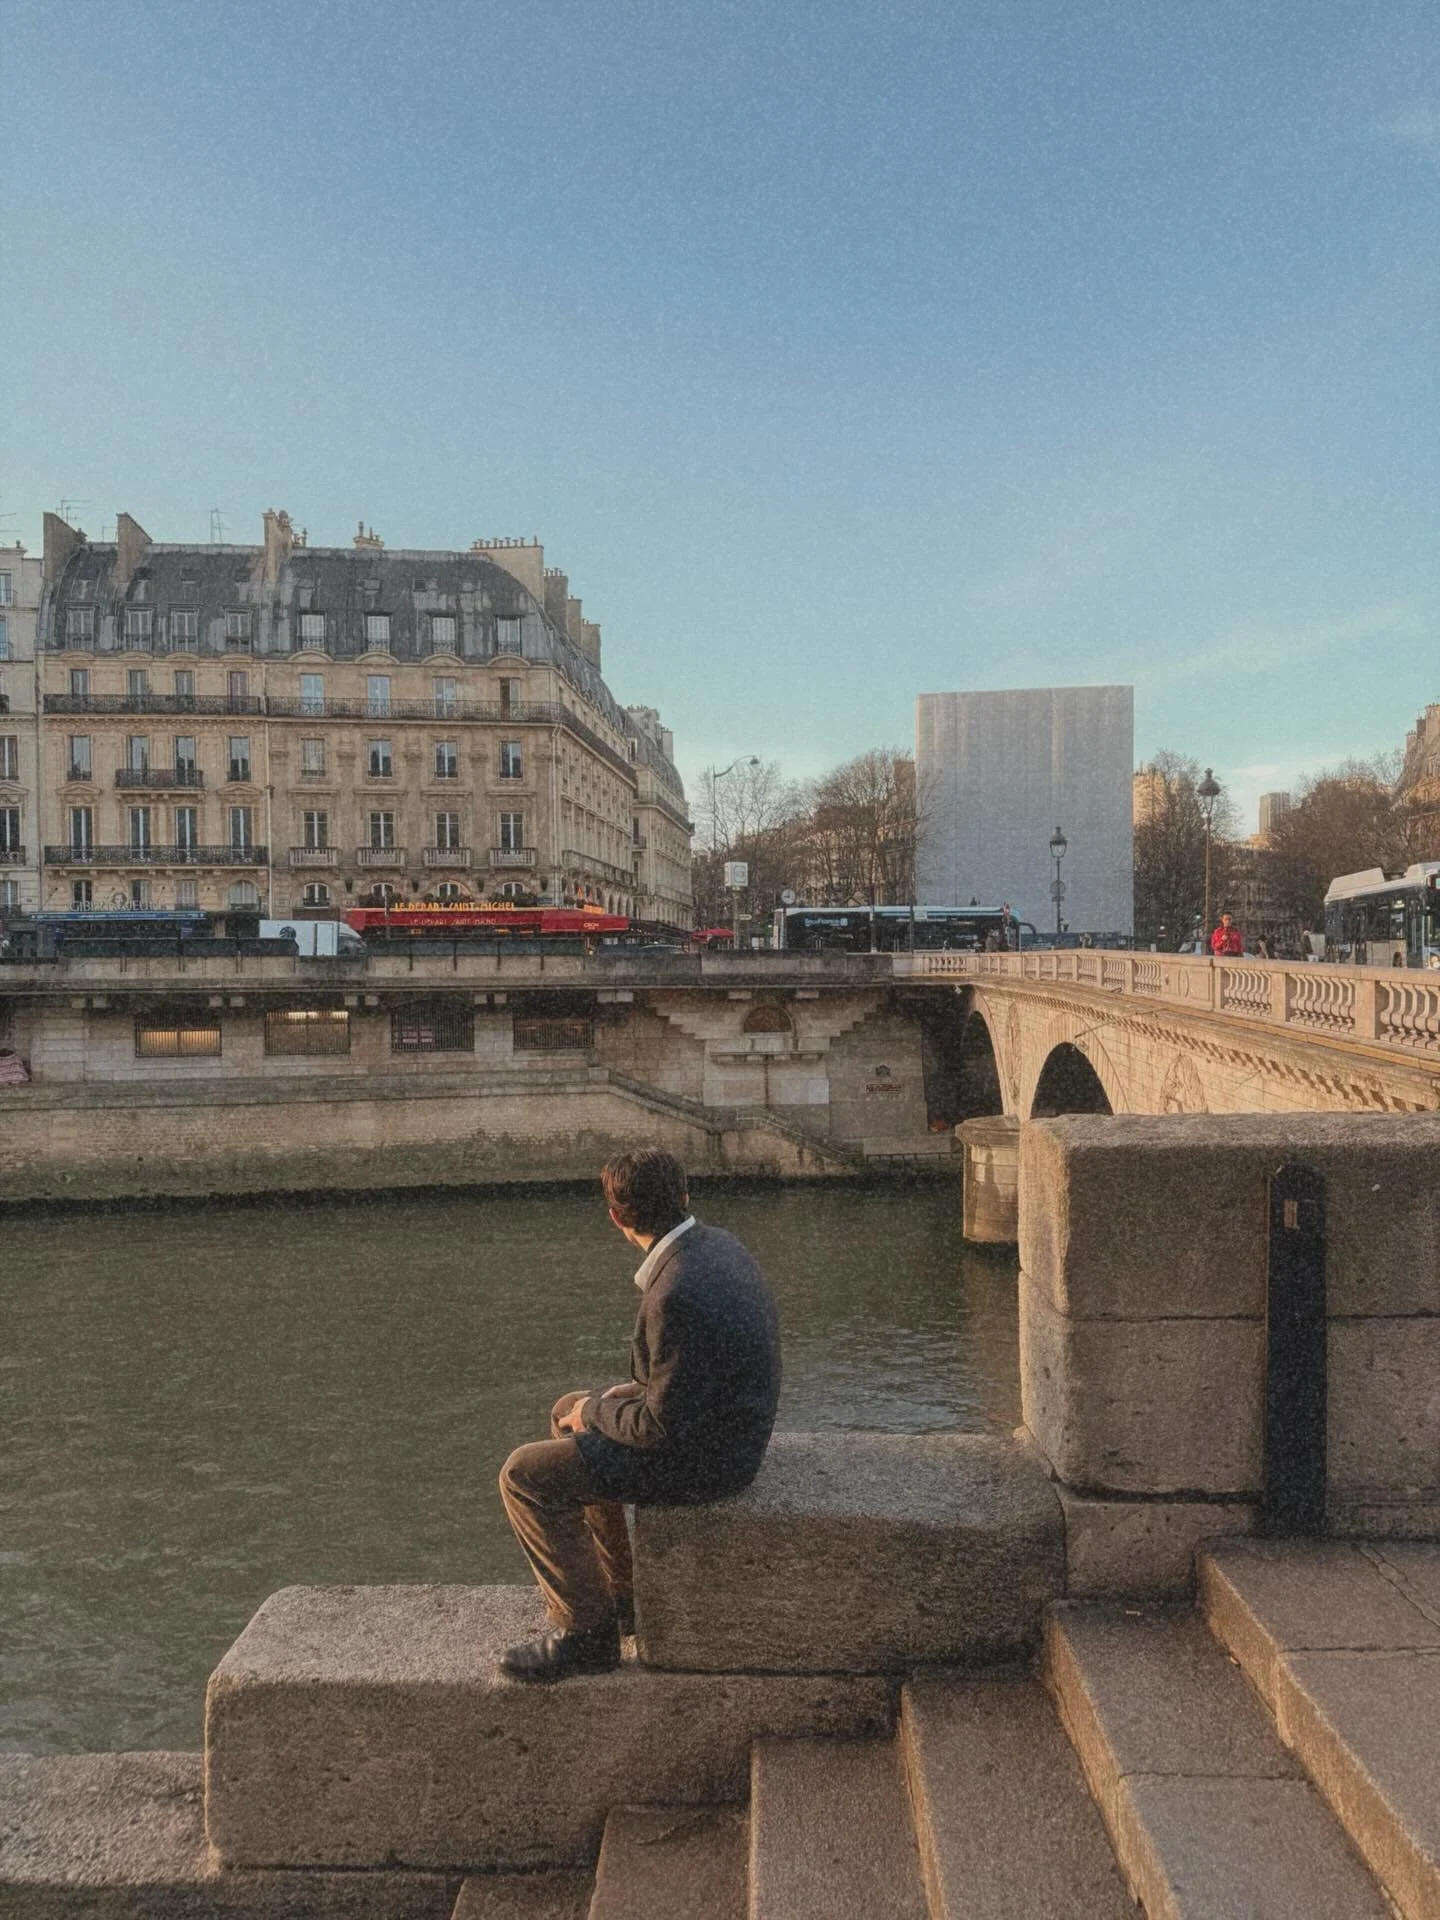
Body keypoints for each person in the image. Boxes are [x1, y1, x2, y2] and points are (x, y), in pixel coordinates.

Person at [497, 1148, 782, 1682]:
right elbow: (686, 1375)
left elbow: (656, 1428)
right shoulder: (719, 1246)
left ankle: (586, 1635)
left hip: (706, 1461)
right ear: (684, 1196)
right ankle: (619, 1593)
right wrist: (596, 1408)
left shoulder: (672, 1292)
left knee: (524, 1475)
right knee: (568, 1411)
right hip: (728, 1425)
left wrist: (597, 1410)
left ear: (616, 1217)